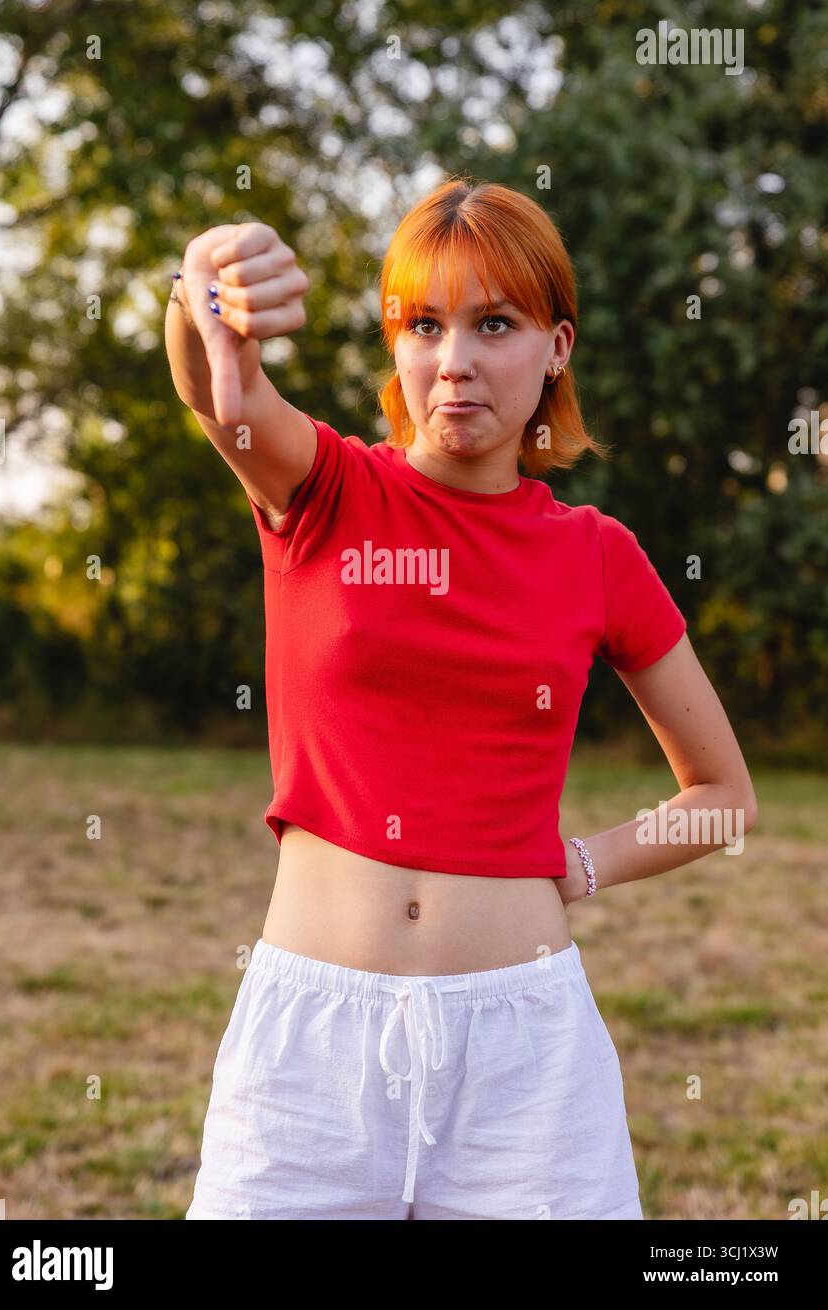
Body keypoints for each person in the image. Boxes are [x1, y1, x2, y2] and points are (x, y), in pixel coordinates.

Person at [165, 176, 757, 1220]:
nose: (455, 360)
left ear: (556, 347)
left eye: (494, 324)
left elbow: (722, 794)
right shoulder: (326, 490)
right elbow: (221, 395)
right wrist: (203, 282)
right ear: (395, 347)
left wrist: (581, 863)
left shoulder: (595, 555)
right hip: (308, 1054)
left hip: (524, 1066)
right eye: (423, 324)